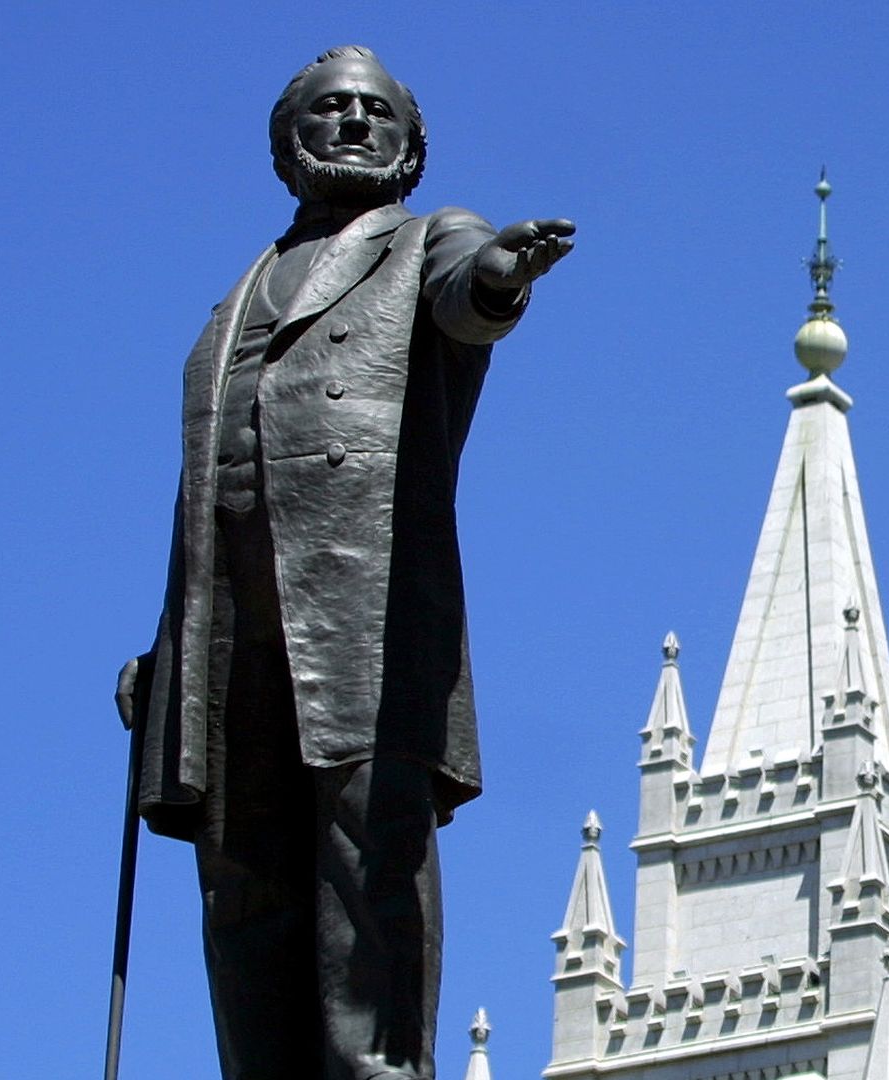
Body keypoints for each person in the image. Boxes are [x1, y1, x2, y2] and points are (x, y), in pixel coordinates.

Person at [117, 45, 574, 1079]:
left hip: (364, 623)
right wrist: (165, 655)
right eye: (330, 110)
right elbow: (207, 505)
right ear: (288, 145)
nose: (355, 122)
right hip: (232, 644)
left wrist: (502, 278)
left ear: (411, 149)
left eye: (377, 111)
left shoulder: (426, 242)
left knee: (369, 874)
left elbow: (470, 294)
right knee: (246, 891)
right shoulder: (231, 304)